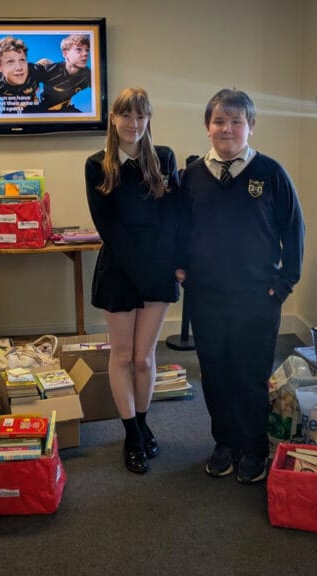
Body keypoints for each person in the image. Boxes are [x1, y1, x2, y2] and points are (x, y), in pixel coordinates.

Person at [176, 88, 305, 484]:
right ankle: (225, 443)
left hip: (258, 297)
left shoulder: (271, 173)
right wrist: (180, 268)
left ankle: (253, 447)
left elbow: (294, 231)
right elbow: (177, 228)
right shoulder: (191, 177)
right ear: (207, 127)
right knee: (215, 373)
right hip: (207, 296)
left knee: (250, 373)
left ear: (251, 126)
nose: (227, 128)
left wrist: (283, 284)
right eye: (219, 121)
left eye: (236, 121)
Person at [84, 87, 181, 474]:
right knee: (123, 356)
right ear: (113, 118)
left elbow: (172, 217)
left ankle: (142, 423)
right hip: (119, 269)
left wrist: (167, 263)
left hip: (158, 269)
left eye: (141, 116)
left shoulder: (164, 158)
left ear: (148, 119)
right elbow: (108, 226)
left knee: (144, 358)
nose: (134, 123)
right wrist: (141, 266)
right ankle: (131, 435)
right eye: (126, 115)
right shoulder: (97, 165)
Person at [27, 34, 92, 113]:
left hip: (66, 109)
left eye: (87, 50)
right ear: (65, 54)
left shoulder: (88, 74)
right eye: (78, 49)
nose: (85, 53)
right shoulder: (50, 70)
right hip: (44, 110)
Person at [0, 36, 46, 113]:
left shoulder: (34, 71)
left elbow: (45, 62)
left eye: (22, 60)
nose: (19, 68)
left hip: (32, 108)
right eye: (10, 62)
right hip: (10, 110)